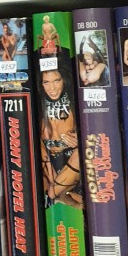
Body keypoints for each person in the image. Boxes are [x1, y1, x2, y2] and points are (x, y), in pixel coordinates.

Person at [39, 66, 82, 207]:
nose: (52, 88)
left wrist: (81, 138)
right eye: (46, 82)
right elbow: (39, 147)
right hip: (49, 167)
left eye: (56, 81)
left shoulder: (76, 101)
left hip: (73, 164)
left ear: (64, 80)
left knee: (84, 150)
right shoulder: (37, 106)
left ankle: (52, 196)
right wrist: (52, 178)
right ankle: (56, 195)